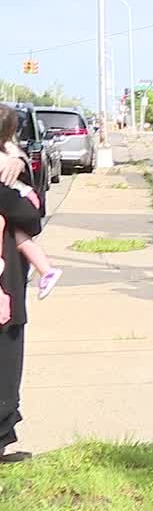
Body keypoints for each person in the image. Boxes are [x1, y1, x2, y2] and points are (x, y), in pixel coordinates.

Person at [0, 108, 62, 300]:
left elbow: (30, 219)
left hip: (22, 198)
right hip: (25, 198)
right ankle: (41, 268)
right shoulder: (11, 151)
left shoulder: (9, 153)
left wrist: (18, 161)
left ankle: (39, 268)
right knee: (19, 234)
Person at [0, 151, 38, 465]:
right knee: (6, 366)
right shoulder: (3, 188)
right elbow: (32, 217)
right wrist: (18, 168)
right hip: (4, 288)